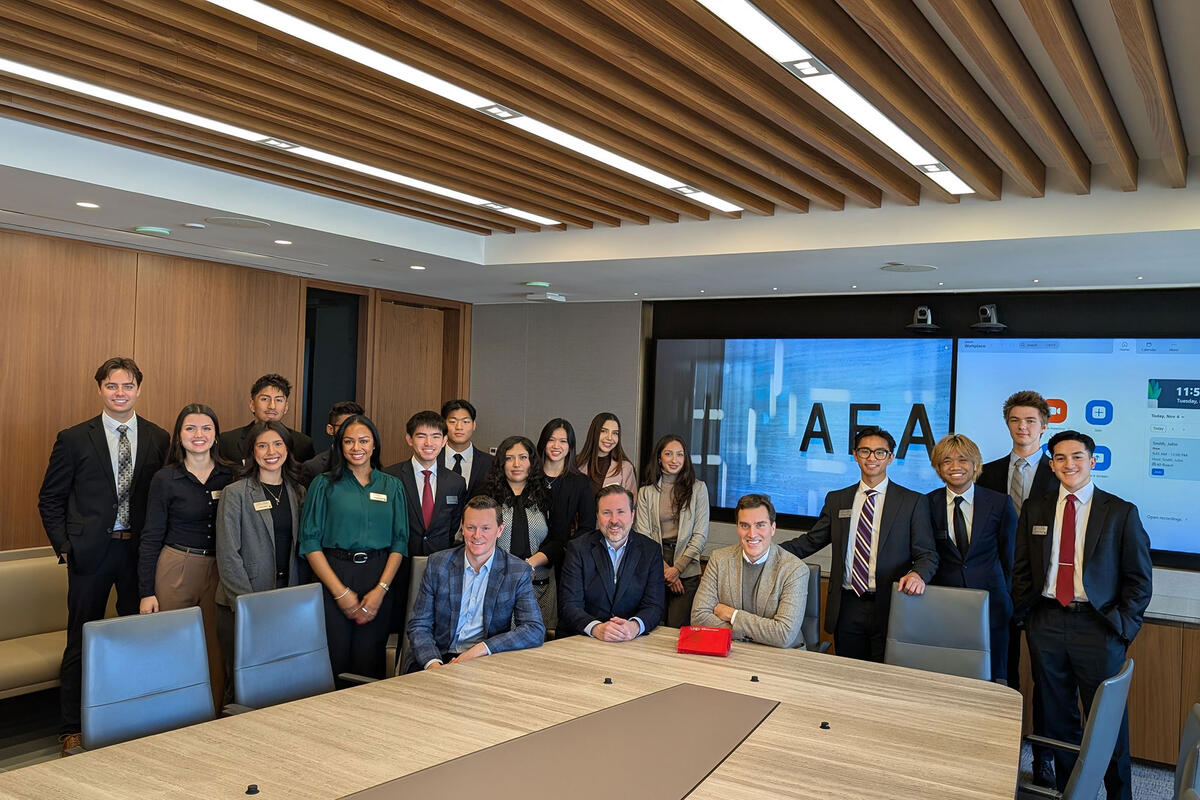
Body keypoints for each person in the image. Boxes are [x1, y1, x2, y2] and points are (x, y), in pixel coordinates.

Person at [38, 357, 170, 755]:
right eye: (112, 386)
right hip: (90, 553)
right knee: (81, 640)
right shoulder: (75, 438)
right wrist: (65, 546)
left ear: (138, 390)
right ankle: (71, 728)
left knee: (136, 637)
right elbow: (50, 497)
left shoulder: (157, 438)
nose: (120, 393)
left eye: (127, 386)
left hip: (137, 553)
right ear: (100, 389)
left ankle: (129, 718)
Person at [1012, 431, 1152, 800]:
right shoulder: (1036, 508)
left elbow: (1139, 579)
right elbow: (1023, 568)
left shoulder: (1120, 511)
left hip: (1099, 627)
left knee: (1108, 725)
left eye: (1076, 457)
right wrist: (1028, 617)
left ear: (1092, 461)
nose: (1068, 464)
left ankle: (1121, 796)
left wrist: (1123, 628)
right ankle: (1072, 792)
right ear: (1051, 463)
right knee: (1058, 723)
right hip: (1047, 623)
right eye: (1059, 458)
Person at [780, 426, 937, 661]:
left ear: (891, 458)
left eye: (880, 452)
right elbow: (811, 541)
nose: (872, 458)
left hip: (891, 604)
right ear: (855, 454)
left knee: (886, 679)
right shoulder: (838, 499)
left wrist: (918, 574)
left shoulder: (912, 501)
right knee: (848, 676)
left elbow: (928, 554)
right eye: (865, 451)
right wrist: (768, 551)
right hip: (847, 604)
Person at [977, 389, 1059, 785]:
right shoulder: (988, 473)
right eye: (1015, 420)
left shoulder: (1061, 474)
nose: (1022, 427)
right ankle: (999, 752)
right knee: (1001, 676)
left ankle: (1043, 756)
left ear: (1044, 426)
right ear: (1007, 424)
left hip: (1044, 594)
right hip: (997, 589)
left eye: (1030, 421)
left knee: (1045, 680)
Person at [137, 403, 235, 707]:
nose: (199, 435)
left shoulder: (231, 475)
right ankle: (166, 714)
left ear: (216, 435)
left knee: (214, 648)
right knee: (170, 644)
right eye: (190, 428)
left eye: (206, 428)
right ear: (179, 436)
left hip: (219, 569)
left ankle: (212, 714)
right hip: (176, 566)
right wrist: (146, 592)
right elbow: (151, 535)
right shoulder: (165, 479)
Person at [300, 415, 407, 679]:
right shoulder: (323, 484)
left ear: (374, 445)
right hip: (333, 574)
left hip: (378, 576)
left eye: (363, 441)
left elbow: (400, 542)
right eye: (349, 441)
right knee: (332, 660)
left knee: (369, 662)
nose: (356, 447)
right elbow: (310, 541)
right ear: (339, 445)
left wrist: (380, 591)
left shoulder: (391, 485)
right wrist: (340, 593)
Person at [214, 420, 309, 702]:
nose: (271, 451)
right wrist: (250, 606)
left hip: (285, 601)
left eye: (278, 444)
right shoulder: (236, 493)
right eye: (262, 445)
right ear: (252, 451)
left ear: (288, 449)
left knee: (280, 680)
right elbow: (228, 554)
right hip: (242, 604)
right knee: (242, 684)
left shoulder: (297, 492)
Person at [405, 496, 544, 671]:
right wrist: (434, 664)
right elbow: (419, 624)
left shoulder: (517, 571)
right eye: (471, 527)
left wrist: (481, 649)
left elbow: (534, 629)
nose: (477, 536)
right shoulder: (438, 564)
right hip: (436, 656)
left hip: (484, 658)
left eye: (486, 528)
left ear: (500, 530)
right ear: (462, 528)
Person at [926, 433, 1016, 682]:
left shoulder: (999, 503)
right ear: (938, 468)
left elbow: (1011, 557)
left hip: (992, 604)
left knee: (994, 676)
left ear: (975, 465)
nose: (955, 467)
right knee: (948, 676)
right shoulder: (927, 504)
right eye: (946, 461)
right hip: (945, 604)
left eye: (963, 460)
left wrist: (1007, 596)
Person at [691, 494, 808, 649]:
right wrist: (757, 635)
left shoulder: (795, 570)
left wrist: (733, 615)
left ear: (773, 528)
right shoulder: (719, 559)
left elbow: (783, 634)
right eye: (745, 525)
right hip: (733, 652)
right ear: (737, 527)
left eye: (760, 525)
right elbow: (699, 617)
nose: (752, 534)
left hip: (782, 657)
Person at [480, 435, 563, 632]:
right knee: (497, 645)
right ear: (501, 463)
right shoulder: (486, 495)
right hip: (495, 583)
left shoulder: (546, 494)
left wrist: (529, 564)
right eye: (509, 458)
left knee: (535, 645)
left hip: (539, 585)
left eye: (523, 457)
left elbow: (558, 541)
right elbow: (478, 538)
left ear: (532, 462)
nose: (516, 464)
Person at [558, 486, 665, 640]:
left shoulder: (651, 551)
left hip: (631, 641)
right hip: (582, 639)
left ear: (632, 515)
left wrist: (634, 626)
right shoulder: (577, 549)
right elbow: (570, 605)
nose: (614, 521)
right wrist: (596, 628)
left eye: (621, 512)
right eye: (606, 513)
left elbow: (654, 606)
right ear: (597, 516)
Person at [635, 435, 709, 628]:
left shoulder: (698, 489)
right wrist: (666, 570)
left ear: (685, 460)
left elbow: (700, 535)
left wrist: (677, 569)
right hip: (654, 563)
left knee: (677, 629)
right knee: (651, 627)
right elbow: (643, 535)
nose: (674, 460)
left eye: (679, 455)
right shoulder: (646, 492)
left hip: (687, 563)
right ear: (659, 458)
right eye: (668, 454)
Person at [217, 373, 315, 465]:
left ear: (286, 407)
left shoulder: (303, 444)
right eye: (265, 399)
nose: (272, 406)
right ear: (252, 405)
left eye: (278, 400)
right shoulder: (228, 441)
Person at [537, 418, 595, 543]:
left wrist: (570, 550)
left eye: (563, 441)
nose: (556, 446)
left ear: (570, 446)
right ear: (543, 443)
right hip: (529, 552)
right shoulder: (530, 477)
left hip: (564, 553)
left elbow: (587, 526)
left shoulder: (581, 482)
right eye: (551, 440)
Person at [439, 399, 494, 498]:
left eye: (465, 421)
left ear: (474, 425)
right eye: (452, 421)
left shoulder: (490, 463)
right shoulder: (431, 459)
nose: (459, 427)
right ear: (443, 424)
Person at [301, 401, 364, 486]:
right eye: (345, 426)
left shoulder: (371, 465)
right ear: (330, 429)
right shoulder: (313, 467)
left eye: (357, 427)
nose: (351, 431)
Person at [576, 412, 636, 496]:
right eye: (604, 431)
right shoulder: (576, 464)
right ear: (594, 433)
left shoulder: (625, 468)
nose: (609, 438)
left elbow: (631, 505)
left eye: (615, 433)